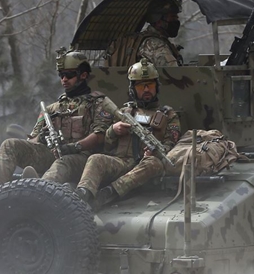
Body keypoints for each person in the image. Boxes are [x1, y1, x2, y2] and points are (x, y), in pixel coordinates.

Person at [0, 49, 117, 209]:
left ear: (83, 75)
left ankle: (35, 194)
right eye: (61, 75)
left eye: (69, 74)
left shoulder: (98, 104)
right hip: (52, 155)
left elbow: (100, 136)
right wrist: (41, 138)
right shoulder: (52, 109)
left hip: (83, 160)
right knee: (10, 144)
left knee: (63, 162)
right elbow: (31, 139)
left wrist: (73, 147)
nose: (64, 79)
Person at [75, 58, 181, 209]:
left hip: (144, 166)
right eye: (140, 86)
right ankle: (82, 196)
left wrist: (155, 152)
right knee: (95, 158)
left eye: (150, 85)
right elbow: (106, 144)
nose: (146, 90)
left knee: (154, 164)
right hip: (120, 162)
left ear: (156, 87)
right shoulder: (124, 112)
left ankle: (109, 193)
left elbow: (171, 144)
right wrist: (113, 130)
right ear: (132, 89)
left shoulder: (169, 115)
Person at [104, 0, 183, 67]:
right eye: (173, 18)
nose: (176, 21)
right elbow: (175, 73)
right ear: (158, 21)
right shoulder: (155, 45)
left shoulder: (144, 40)